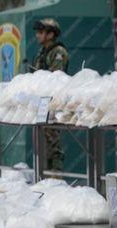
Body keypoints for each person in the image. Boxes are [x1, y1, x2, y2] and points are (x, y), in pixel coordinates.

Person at [32, 18, 69, 172]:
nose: (37, 36)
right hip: (42, 102)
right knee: (42, 143)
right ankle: (44, 175)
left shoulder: (58, 52)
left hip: (54, 102)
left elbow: (56, 77)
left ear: (51, 34)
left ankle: (56, 175)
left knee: (53, 143)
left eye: (41, 32)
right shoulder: (42, 52)